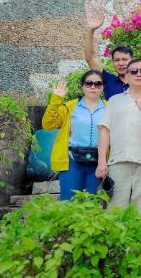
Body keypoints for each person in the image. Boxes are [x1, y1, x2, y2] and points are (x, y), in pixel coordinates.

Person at [96, 59, 141, 217]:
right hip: (118, 162)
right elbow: (105, 132)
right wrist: (101, 162)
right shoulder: (114, 100)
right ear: (126, 76)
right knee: (114, 214)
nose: (139, 74)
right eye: (134, 71)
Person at [42, 72, 105, 201]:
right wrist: (56, 100)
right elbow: (48, 125)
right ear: (82, 86)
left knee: (92, 204)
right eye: (89, 83)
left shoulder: (109, 106)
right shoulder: (70, 107)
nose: (93, 86)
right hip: (72, 161)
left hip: (99, 161)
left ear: (103, 87)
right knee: (69, 203)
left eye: (98, 84)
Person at [84, 8, 132, 99]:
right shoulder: (108, 80)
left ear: (132, 61)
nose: (121, 63)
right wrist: (90, 30)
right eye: (117, 60)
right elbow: (89, 58)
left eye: (125, 59)